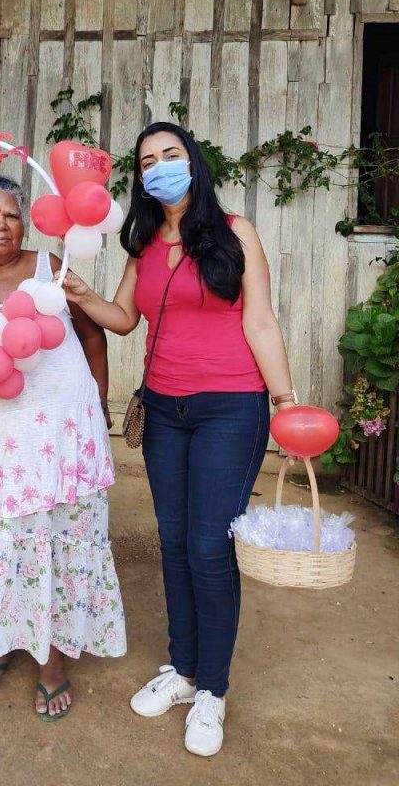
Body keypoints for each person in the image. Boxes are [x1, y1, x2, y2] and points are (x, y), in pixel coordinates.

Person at [62, 121, 298, 758]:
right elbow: (123, 319)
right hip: (164, 410)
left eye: (171, 155)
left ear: (192, 162)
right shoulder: (142, 244)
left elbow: (260, 320)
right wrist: (82, 294)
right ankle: (184, 670)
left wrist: (285, 402)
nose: (160, 167)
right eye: (147, 161)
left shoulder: (236, 232)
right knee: (173, 542)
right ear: (140, 179)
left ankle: (212, 690)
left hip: (231, 408)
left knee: (208, 547)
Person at [0, 176, 126, 720]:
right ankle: (0, 640)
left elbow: (92, 334)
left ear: (25, 223)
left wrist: (98, 396)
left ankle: (52, 662)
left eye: (11, 215)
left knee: (59, 540)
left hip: (62, 433)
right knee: (1, 538)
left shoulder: (49, 267)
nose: (1, 225)